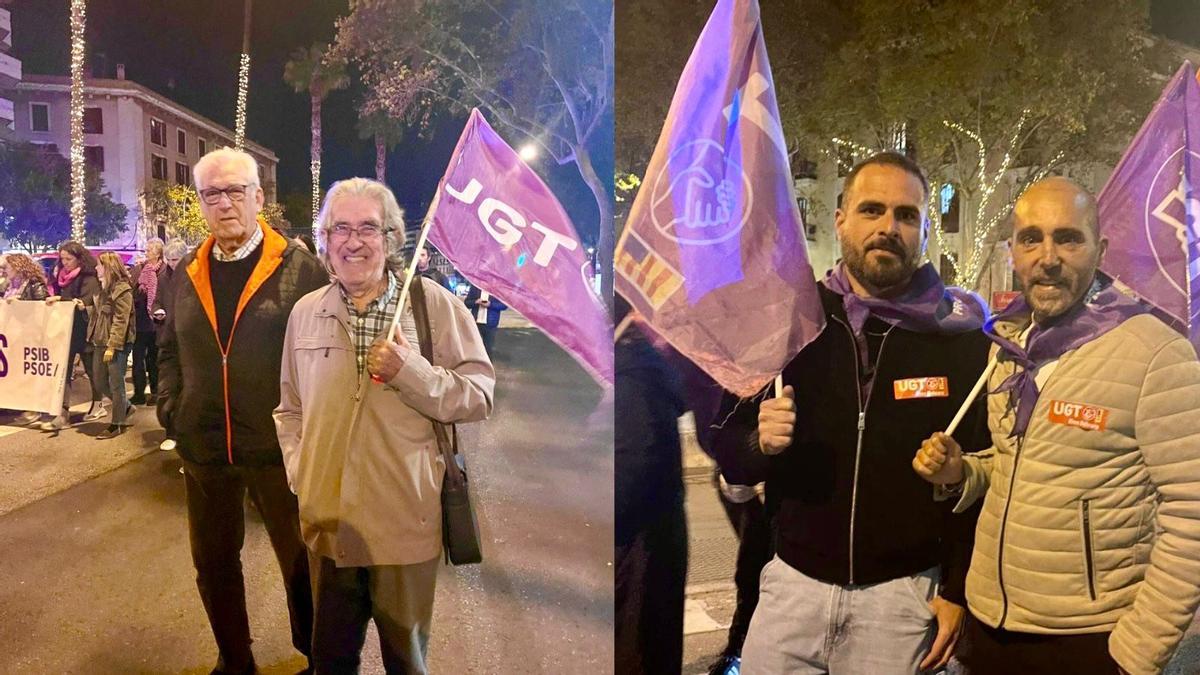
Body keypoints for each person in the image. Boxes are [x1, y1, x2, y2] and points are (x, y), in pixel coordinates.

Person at [710, 152, 992, 674]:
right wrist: (759, 445)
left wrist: (957, 589)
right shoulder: (791, 322)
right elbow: (727, 445)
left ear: (926, 230)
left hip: (904, 601)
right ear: (841, 219)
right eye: (872, 210)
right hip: (792, 592)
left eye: (907, 216)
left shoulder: (966, 344)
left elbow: (989, 478)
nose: (889, 227)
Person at [912, 177, 1200, 675]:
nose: (1048, 256)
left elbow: (1193, 515)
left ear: (1099, 249)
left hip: (1088, 640)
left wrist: (1137, 652)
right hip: (991, 627)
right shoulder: (1008, 346)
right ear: (1013, 252)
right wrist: (963, 473)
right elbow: (1019, 467)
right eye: (1032, 239)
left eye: (1068, 238)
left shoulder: (1156, 353)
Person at [274, 178, 494, 674]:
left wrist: (409, 372)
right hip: (328, 526)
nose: (354, 242)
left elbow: (478, 395)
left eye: (368, 228)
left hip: (404, 527)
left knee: (406, 662)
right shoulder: (306, 313)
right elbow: (289, 410)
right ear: (326, 240)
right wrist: (300, 474)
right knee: (329, 660)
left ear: (392, 237)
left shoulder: (432, 305)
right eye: (341, 229)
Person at [157, 147, 327, 674]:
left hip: (278, 450)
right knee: (212, 564)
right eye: (212, 193)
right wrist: (173, 408)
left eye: (236, 191)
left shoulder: (301, 269)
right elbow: (168, 347)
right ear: (202, 202)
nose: (224, 203)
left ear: (258, 197)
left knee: (302, 564)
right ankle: (235, 661)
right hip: (204, 447)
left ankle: (317, 656)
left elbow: (325, 354)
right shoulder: (186, 270)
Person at [614, 297, 688, 675]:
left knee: (638, 654)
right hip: (652, 551)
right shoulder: (643, 365)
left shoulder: (630, 372)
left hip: (638, 556)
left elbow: (635, 464)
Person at [40, 241, 104, 431]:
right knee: (63, 371)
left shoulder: (89, 277)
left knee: (93, 371)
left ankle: (99, 403)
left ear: (79, 258)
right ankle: (63, 412)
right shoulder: (60, 277)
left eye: (69, 259)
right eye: (62, 259)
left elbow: (86, 301)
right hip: (64, 331)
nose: (65, 262)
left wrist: (61, 300)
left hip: (84, 331)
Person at [87, 252, 135, 440]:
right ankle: (126, 407)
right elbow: (100, 314)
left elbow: (121, 321)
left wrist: (112, 346)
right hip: (100, 340)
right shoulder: (102, 288)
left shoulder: (122, 290)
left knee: (116, 384)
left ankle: (117, 424)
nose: (96, 268)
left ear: (108, 267)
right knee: (99, 381)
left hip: (117, 344)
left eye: (99, 265)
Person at [151, 238, 187, 452]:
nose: (172, 264)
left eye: (176, 259)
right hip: (168, 337)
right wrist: (157, 311)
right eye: (169, 259)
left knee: (186, 389)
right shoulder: (163, 277)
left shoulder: (193, 275)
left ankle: (183, 434)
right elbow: (157, 300)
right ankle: (171, 431)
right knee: (169, 388)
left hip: (186, 338)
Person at [129, 238, 164, 405]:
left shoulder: (163, 270)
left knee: (154, 360)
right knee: (137, 359)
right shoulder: (139, 270)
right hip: (141, 321)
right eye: (147, 249)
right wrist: (139, 290)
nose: (147, 252)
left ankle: (156, 392)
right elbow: (132, 291)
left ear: (158, 253)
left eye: (150, 250)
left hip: (157, 323)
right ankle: (138, 392)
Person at [464, 285, 507, 356]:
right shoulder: (476, 287)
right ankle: (474, 365)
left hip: (490, 324)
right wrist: (475, 302)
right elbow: (467, 303)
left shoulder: (497, 289)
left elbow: (504, 305)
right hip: (475, 322)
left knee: (488, 348)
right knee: (473, 347)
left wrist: (490, 305)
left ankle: (487, 366)